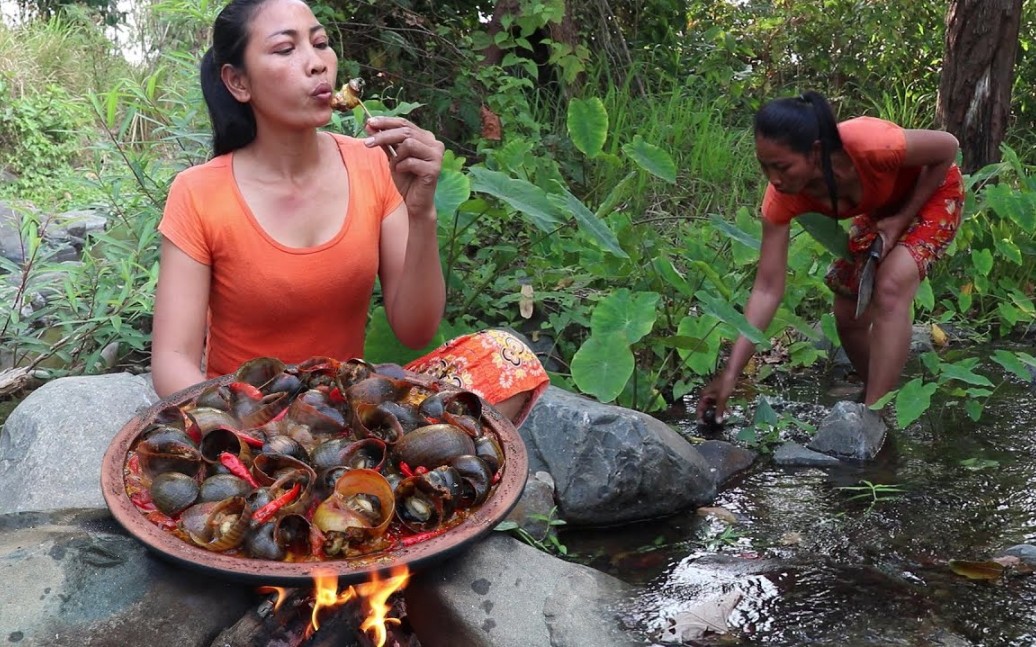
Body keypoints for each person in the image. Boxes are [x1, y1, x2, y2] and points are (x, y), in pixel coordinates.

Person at [151, 0, 548, 425]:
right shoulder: (199, 192)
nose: (318, 63)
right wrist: (233, 431)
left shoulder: (374, 163)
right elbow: (173, 359)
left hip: (348, 418)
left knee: (508, 362)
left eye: (320, 43)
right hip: (250, 424)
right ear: (238, 81)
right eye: (286, 50)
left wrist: (421, 214)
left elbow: (414, 328)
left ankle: (365, 475)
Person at [697, 90, 963, 423]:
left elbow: (947, 146)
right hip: (881, 209)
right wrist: (731, 374)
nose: (774, 179)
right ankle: (880, 399)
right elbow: (767, 287)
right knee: (847, 311)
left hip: (934, 192)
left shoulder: (873, 145)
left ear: (816, 152)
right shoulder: (781, 197)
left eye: (782, 167)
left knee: (891, 283)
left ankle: (871, 419)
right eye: (764, 167)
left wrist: (902, 218)